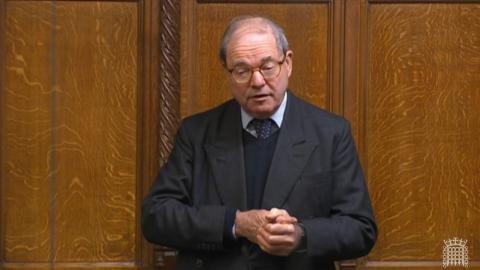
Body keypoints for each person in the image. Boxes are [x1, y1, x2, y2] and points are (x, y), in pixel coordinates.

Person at [142, 15, 377, 270]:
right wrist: (234, 223)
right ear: (228, 72)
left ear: (287, 63)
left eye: (267, 67)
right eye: (242, 70)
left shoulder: (331, 132)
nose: (257, 82)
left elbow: (360, 228)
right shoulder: (197, 132)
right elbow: (156, 217)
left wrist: (302, 235)